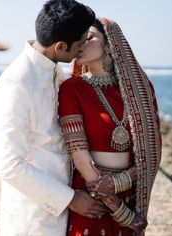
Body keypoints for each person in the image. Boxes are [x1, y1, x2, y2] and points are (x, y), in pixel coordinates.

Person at [0, 1, 109, 235]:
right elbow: (10, 165)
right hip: (33, 217)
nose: (84, 46)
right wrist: (70, 199)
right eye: (82, 41)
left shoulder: (54, 68)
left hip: (62, 208)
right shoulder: (16, 83)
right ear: (60, 46)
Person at [58, 18, 162, 236]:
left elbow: (150, 152)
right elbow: (78, 152)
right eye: (78, 39)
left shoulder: (140, 89)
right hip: (91, 199)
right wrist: (117, 207)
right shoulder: (72, 88)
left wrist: (120, 184)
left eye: (89, 37)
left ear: (110, 42)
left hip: (130, 194)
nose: (81, 43)